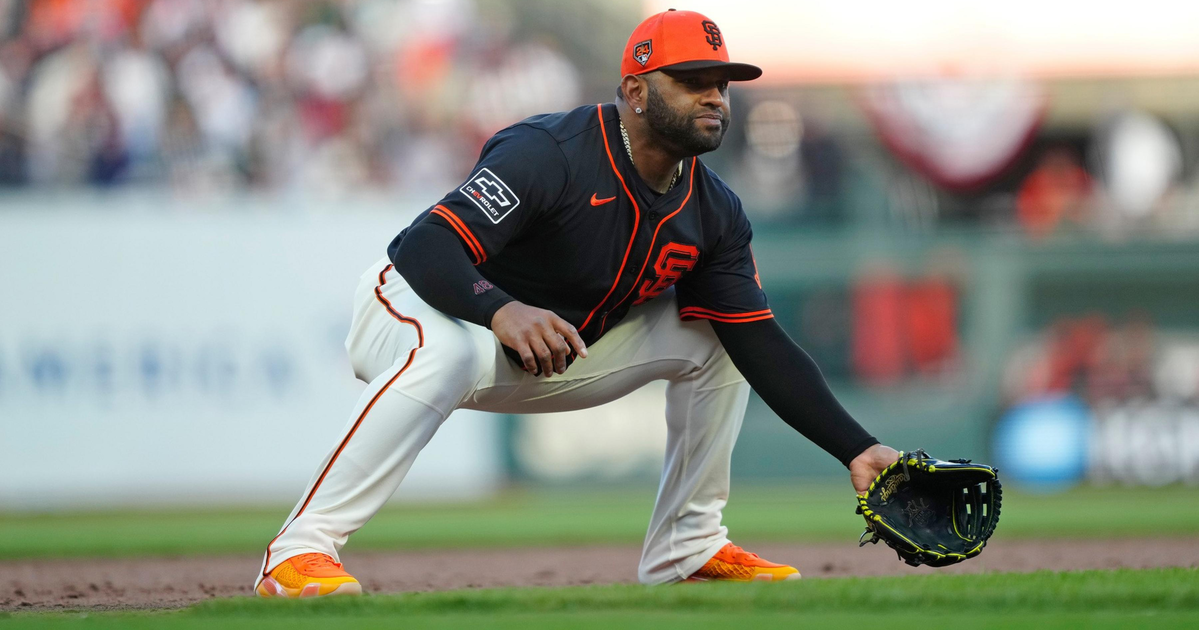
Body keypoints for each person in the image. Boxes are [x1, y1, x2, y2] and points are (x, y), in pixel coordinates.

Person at [255, 9, 899, 598]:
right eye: (692, 79)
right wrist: (501, 309)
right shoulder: (552, 152)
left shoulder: (714, 211)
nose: (713, 97)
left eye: (722, 83)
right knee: (445, 349)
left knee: (721, 341)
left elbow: (760, 341)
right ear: (637, 92)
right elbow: (425, 246)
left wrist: (856, 448)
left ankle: (690, 547)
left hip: (551, 352)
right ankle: (299, 553)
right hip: (419, 309)